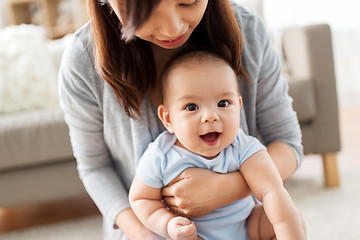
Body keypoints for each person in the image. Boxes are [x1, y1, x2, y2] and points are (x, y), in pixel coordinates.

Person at [58, 0, 303, 239]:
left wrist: (226, 189)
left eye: (188, 2)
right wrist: (155, 232)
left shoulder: (247, 29)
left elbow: (286, 142)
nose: (172, 29)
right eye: (146, 11)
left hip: (243, 221)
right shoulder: (83, 60)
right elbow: (96, 169)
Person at [129, 50, 306, 240]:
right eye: (192, 107)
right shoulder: (160, 155)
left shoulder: (243, 147)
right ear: (168, 119)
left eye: (223, 103)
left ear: (238, 107)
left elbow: (272, 191)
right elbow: (141, 199)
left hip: (247, 228)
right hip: (196, 235)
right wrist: (168, 224)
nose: (210, 116)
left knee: (291, 217)